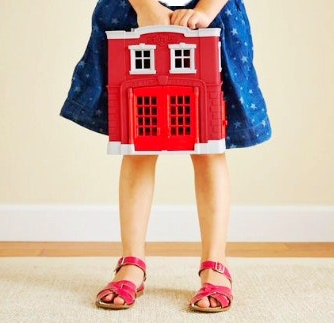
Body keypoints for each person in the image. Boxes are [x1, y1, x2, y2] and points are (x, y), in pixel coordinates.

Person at [60, 0, 271, 313]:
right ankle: (131, 262)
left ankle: (215, 264)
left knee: (209, 149)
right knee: (137, 146)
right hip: (134, 13)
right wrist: (145, 6)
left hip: (212, 17)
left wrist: (206, 11)